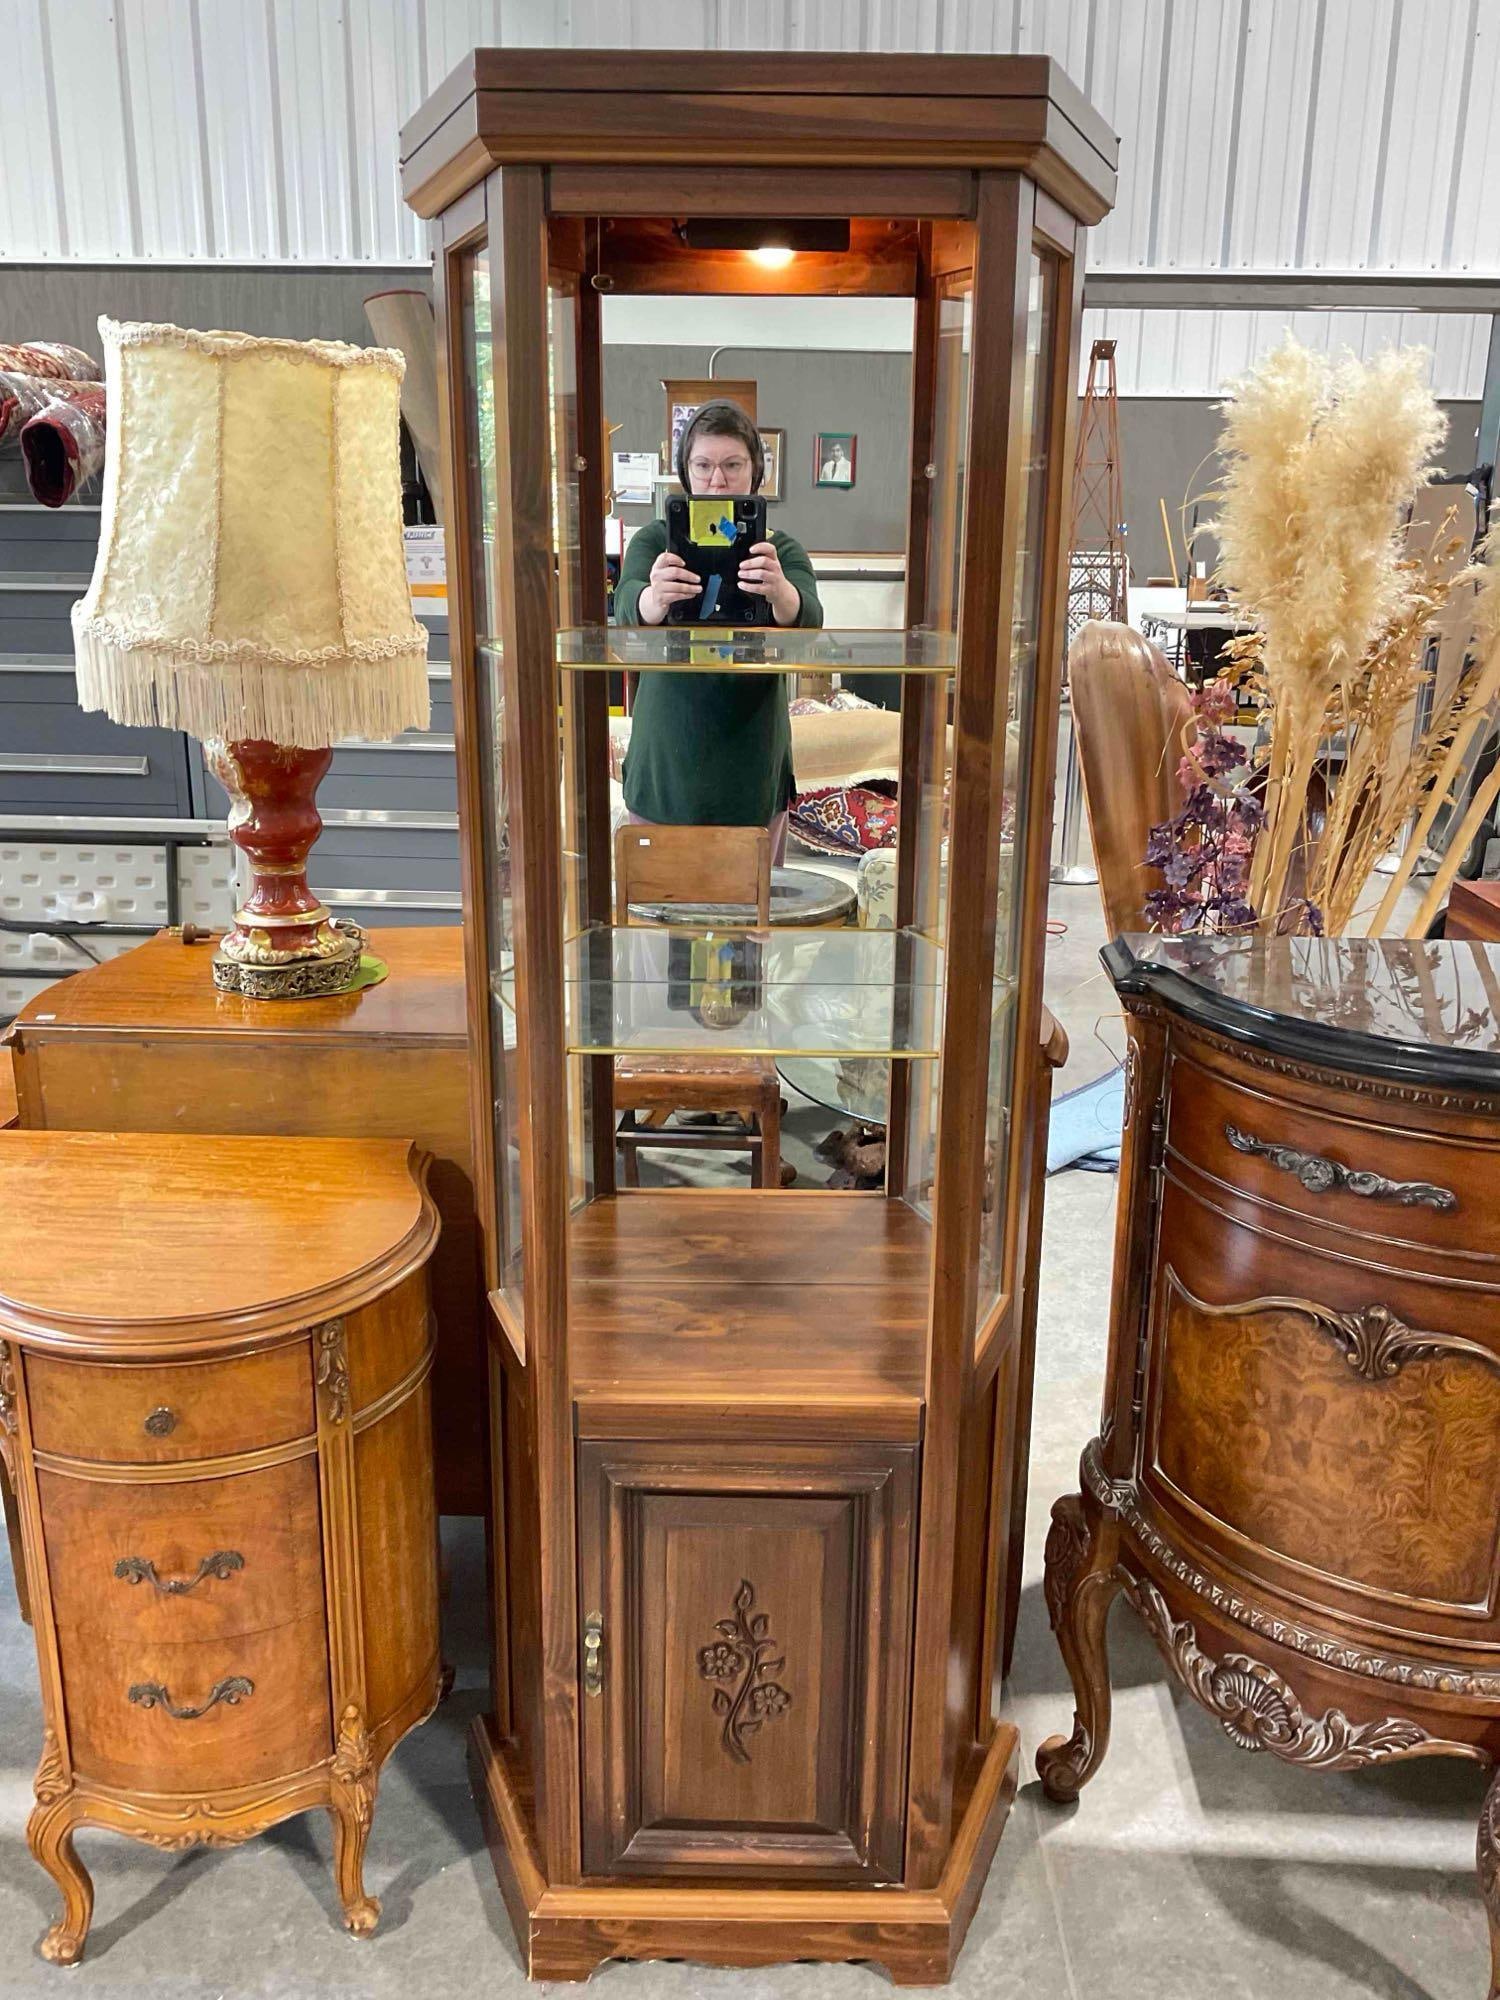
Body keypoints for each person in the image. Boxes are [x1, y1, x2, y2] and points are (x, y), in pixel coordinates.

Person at [612, 400, 822, 863]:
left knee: (751, 920)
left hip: (752, 757)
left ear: (756, 472)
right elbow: (624, 605)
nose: (717, 480)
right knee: (660, 912)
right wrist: (654, 597)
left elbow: (809, 623)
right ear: (685, 473)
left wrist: (781, 592)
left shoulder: (780, 548)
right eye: (703, 465)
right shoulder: (655, 539)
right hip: (665, 757)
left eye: (732, 465)